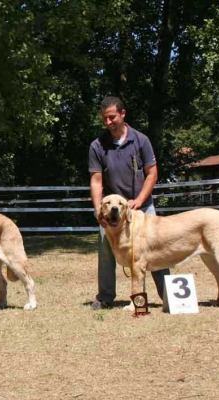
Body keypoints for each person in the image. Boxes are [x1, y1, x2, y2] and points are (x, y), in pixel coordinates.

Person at [88, 96, 170, 310]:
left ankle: (169, 297)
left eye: (112, 117)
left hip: (142, 207)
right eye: (104, 119)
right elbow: (96, 180)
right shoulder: (97, 145)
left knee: (156, 249)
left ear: (123, 114)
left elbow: (152, 174)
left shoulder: (141, 140)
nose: (108, 122)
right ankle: (105, 298)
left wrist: (140, 200)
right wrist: (99, 210)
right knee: (106, 250)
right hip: (112, 210)